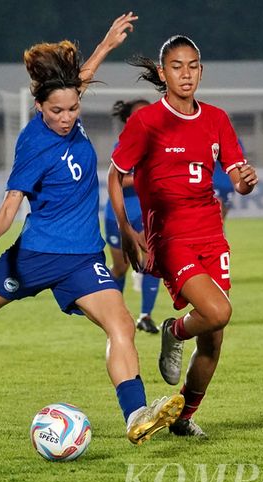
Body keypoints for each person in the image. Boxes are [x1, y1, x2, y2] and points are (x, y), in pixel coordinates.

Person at [0, 12, 185, 446]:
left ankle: (136, 416)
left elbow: (82, 78)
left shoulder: (70, 107)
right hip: (35, 257)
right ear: (40, 107)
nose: (68, 117)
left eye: (74, 108)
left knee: (122, 325)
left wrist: (108, 43)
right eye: (57, 111)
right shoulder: (35, 143)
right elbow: (12, 201)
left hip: (83, 257)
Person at [108, 34, 259, 439]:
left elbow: (236, 178)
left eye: (193, 65)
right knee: (219, 312)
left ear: (201, 71)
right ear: (163, 73)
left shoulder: (217, 119)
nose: (186, 73)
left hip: (212, 234)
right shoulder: (146, 122)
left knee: (213, 341)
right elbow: (115, 175)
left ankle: (184, 417)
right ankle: (173, 332)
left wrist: (245, 182)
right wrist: (126, 228)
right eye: (177, 66)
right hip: (171, 237)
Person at [105, 99, 161, 334]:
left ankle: (145, 316)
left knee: (152, 261)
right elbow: (117, 180)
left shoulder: (160, 143)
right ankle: (111, 312)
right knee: (120, 266)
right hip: (119, 213)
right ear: (129, 120)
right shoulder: (125, 144)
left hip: (146, 212)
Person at [211, 138, 244, 220]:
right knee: (219, 221)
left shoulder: (207, 137)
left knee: (218, 221)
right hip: (227, 183)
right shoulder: (234, 139)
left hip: (215, 181)